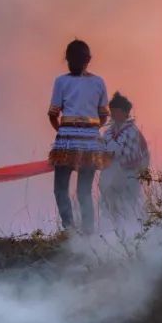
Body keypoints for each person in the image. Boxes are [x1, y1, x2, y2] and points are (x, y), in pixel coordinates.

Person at [48, 39, 111, 234]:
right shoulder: (98, 82)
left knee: (60, 189)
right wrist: (92, 130)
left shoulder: (61, 81)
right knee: (84, 191)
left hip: (66, 141)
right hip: (90, 143)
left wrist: (62, 131)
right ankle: (88, 232)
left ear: (67, 60)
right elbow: (103, 114)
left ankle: (69, 230)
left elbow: (52, 114)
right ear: (88, 60)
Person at [99, 91, 151, 224]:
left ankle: (132, 231)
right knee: (108, 204)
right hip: (113, 175)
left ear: (125, 112)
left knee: (128, 205)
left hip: (130, 174)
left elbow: (119, 152)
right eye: (113, 111)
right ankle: (110, 231)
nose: (114, 114)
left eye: (117, 111)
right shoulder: (109, 132)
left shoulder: (131, 131)